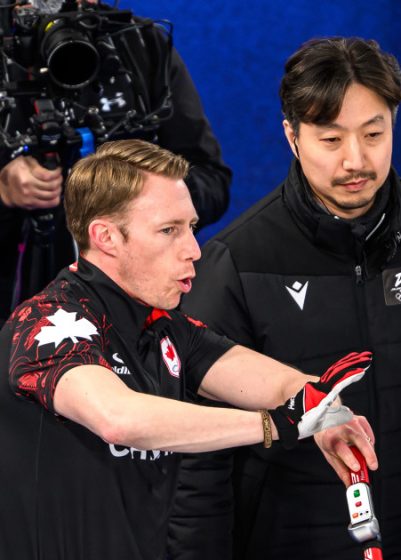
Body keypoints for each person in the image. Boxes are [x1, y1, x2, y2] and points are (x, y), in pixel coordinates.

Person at [169, 37, 401, 560]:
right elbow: (198, 453)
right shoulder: (238, 261)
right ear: (292, 137)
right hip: (289, 544)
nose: (355, 160)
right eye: (331, 139)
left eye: (374, 134)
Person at [0, 139, 377, 560]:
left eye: (191, 227)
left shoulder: (166, 328)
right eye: (169, 230)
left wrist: (329, 413)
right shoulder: (46, 323)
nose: (194, 250)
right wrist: (275, 425)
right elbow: (119, 419)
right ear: (106, 237)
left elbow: (280, 385)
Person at [0, 0, 231, 321]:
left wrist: (147, 197)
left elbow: (212, 183)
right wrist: (4, 193)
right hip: (16, 303)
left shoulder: (139, 44)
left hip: (140, 314)